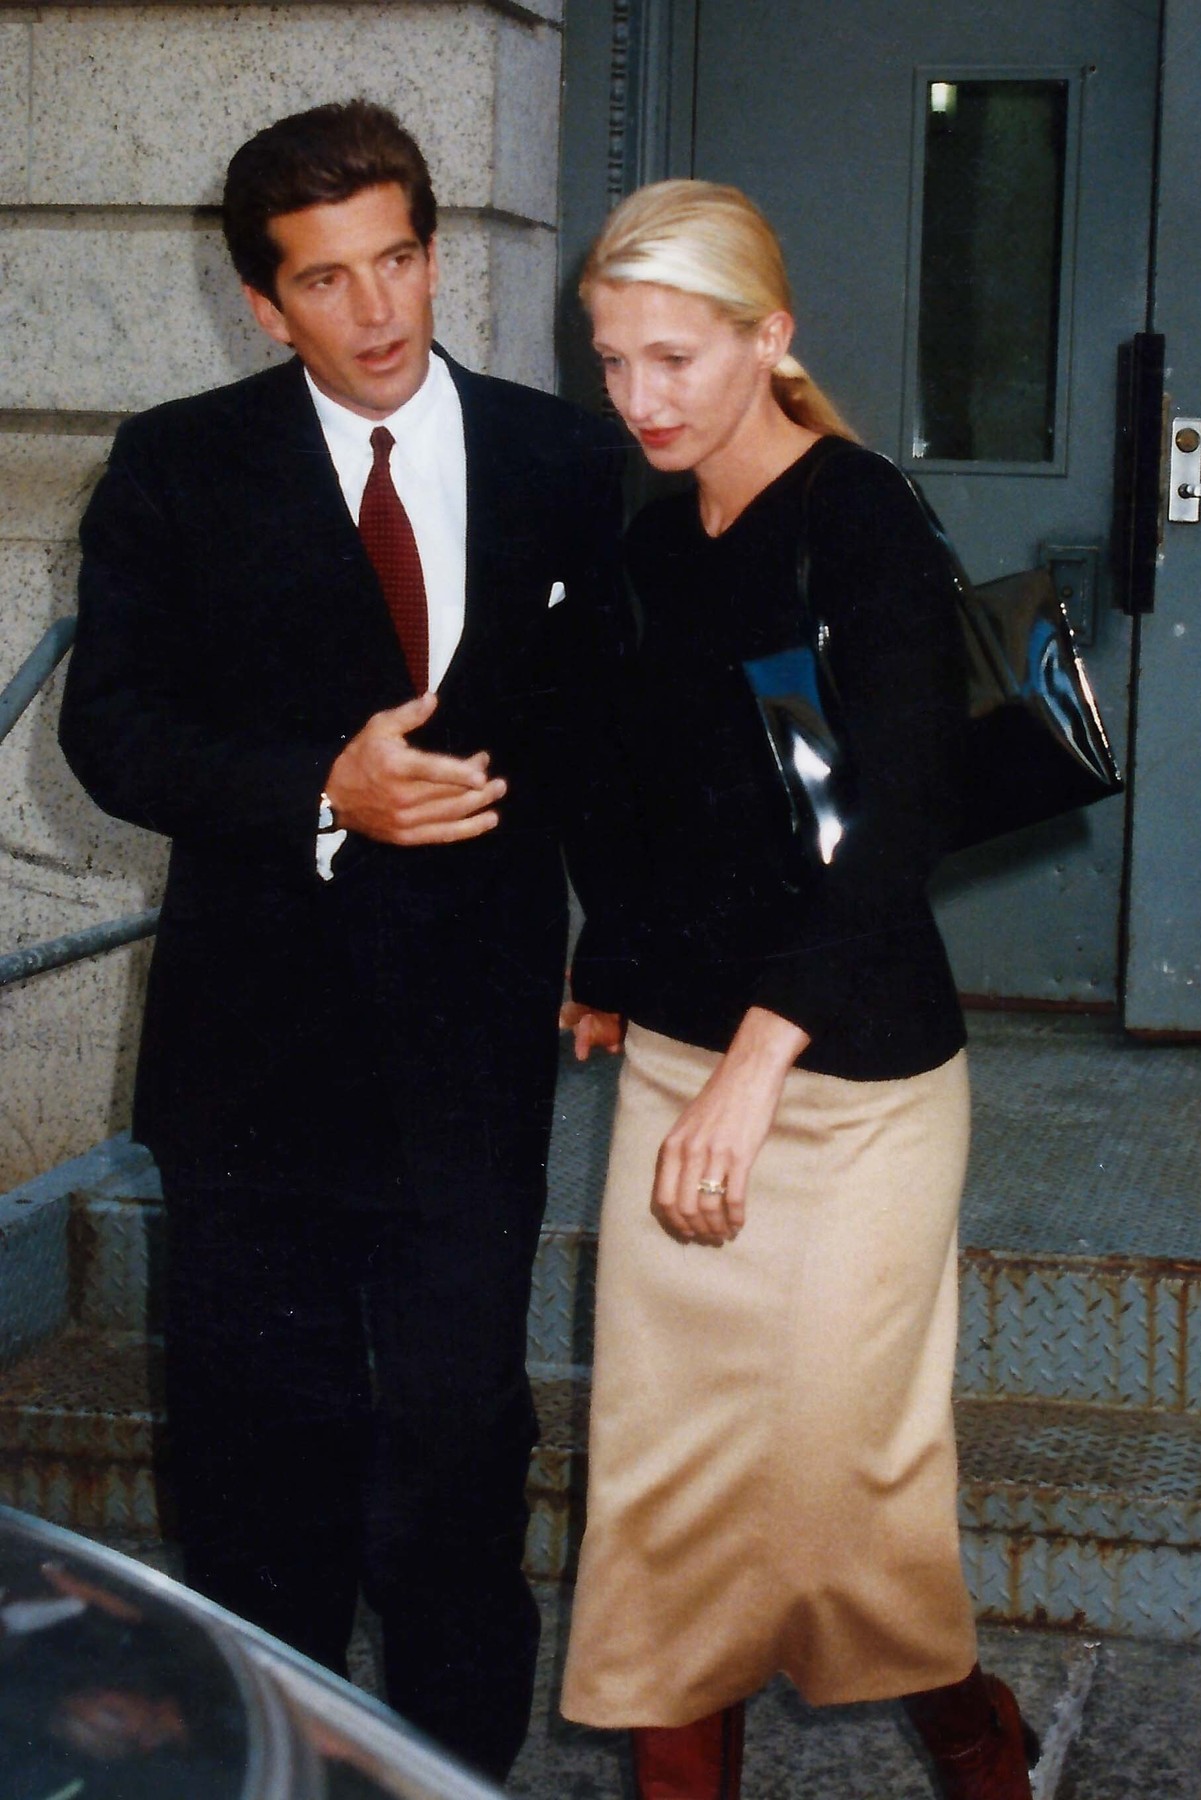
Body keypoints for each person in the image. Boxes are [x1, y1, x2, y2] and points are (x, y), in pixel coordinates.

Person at [58, 98, 622, 1784]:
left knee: (459, 1448)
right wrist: (321, 784)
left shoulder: (561, 460)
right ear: (263, 303)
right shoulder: (176, 464)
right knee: (256, 1470)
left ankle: (456, 1768)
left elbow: (625, 734)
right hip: (253, 1062)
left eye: (397, 262)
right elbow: (110, 733)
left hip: (471, 1055)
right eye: (326, 279)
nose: (376, 312)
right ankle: (274, 1764)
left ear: (436, 256)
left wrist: (632, 943)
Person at [558, 180, 1038, 1800]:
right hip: (681, 1066)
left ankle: (970, 1726)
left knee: (842, 1490)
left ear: (772, 339)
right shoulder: (653, 541)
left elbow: (896, 810)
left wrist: (758, 1063)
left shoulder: (860, 518)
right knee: (664, 1494)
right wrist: (610, 971)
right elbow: (636, 793)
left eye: (676, 357)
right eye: (613, 360)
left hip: (851, 1085)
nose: (640, 398)